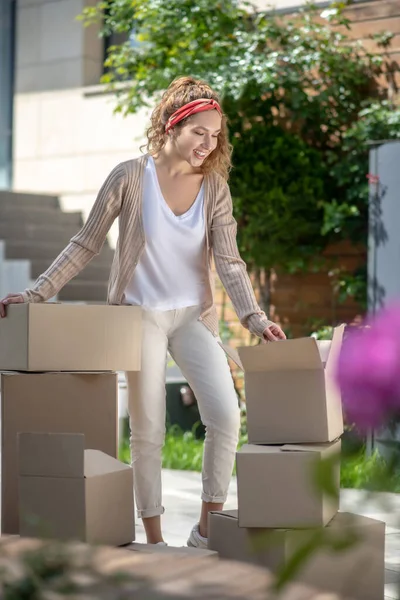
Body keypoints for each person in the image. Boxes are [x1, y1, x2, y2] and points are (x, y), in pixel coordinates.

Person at [0, 76, 286, 548]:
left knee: (226, 415)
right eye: (199, 132)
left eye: (215, 135)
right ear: (172, 126)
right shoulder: (130, 176)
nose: (208, 144)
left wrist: (254, 318)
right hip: (140, 318)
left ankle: (206, 530)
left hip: (193, 316)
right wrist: (36, 293)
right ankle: (153, 540)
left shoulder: (214, 187)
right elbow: (87, 242)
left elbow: (229, 261)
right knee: (149, 427)